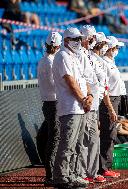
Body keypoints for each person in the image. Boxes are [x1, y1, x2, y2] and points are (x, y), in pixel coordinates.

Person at [52, 27, 92, 188]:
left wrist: (89, 96)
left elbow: (83, 79)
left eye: (79, 39)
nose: (78, 42)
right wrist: (83, 99)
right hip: (70, 106)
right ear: (66, 40)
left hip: (80, 106)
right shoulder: (62, 56)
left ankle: (72, 174)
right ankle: (61, 176)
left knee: (76, 144)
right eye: (75, 39)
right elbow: (70, 81)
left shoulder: (75, 56)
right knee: (67, 143)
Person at [75, 25, 106, 183]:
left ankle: (92, 172)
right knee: (84, 140)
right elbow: (82, 79)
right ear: (86, 38)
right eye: (92, 38)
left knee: (93, 139)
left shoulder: (89, 55)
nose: (94, 40)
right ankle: (82, 172)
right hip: (86, 103)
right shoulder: (79, 54)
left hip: (94, 103)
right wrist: (87, 97)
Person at [98, 35, 125, 178]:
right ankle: (103, 167)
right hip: (109, 100)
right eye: (116, 48)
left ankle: (106, 165)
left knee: (111, 133)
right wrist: (110, 107)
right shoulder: (104, 63)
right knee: (108, 134)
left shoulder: (111, 62)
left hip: (115, 98)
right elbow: (105, 88)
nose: (117, 50)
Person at [37, 32, 61, 185]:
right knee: (54, 138)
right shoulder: (51, 62)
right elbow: (56, 84)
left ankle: (51, 172)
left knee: (53, 137)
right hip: (53, 103)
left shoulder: (43, 60)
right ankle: (50, 174)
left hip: (48, 102)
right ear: (57, 46)